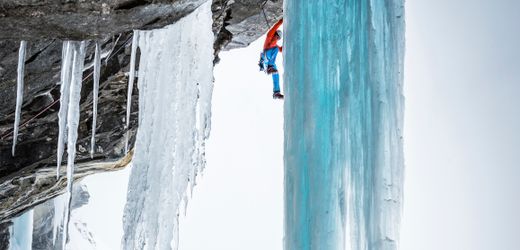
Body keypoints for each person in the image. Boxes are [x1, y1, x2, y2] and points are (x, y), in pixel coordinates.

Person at [259, 18, 284, 99]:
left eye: (278, 38)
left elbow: (281, 49)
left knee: (276, 74)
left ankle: (276, 92)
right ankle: (270, 68)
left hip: (270, 63)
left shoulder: (275, 46)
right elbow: (274, 28)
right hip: (265, 59)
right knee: (275, 49)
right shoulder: (269, 37)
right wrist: (281, 21)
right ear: (275, 34)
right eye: (277, 36)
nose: (277, 39)